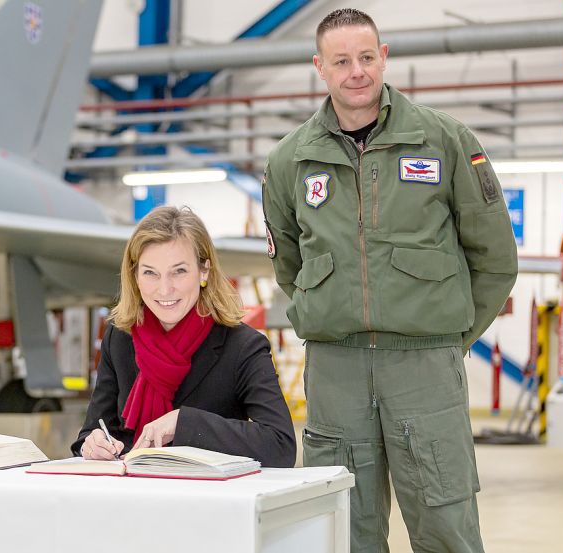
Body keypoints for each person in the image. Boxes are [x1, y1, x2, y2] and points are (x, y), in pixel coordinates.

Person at [262, 8, 517, 553]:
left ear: (384, 58)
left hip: (425, 367)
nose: (357, 71)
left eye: (366, 57)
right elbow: (289, 264)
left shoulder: (444, 141)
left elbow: (495, 259)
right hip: (336, 372)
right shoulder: (290, 160)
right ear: (320, 68)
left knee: (445, 522)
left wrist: (449, 336)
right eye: (341, 61)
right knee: (341, 527)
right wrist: (330, 309)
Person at [71, 206, 296, 468]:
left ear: (204, 271)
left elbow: (281, 445)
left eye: (179, 271)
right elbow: (93, 430)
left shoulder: (243, 346)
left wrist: (183, 423)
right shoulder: (119, 338)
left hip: (206, 502)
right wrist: (92, 443)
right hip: (133, 498)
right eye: (150, 273)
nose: (165, 289)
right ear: (134, 276)